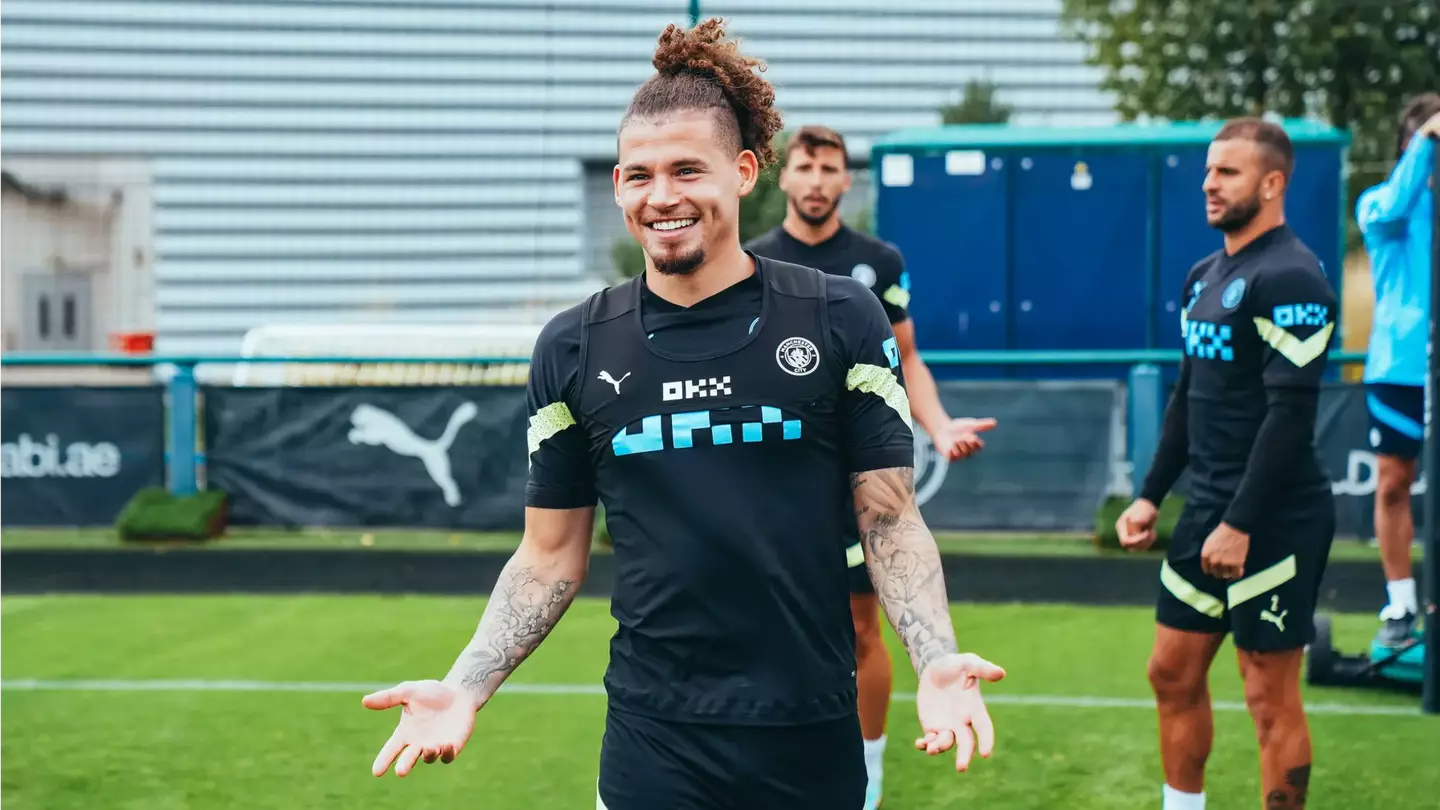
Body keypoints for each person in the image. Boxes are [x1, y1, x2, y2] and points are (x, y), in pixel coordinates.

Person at [362, 19, 1005, 810]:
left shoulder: (840, 317)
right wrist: (467, 684)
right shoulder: (571, 345)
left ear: (742, 172)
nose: (661, 197)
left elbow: (888, 519)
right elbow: (548, 555)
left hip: (808, 732)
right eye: (638, 176)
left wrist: (934, 655)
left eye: (685, 171)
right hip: (652, 740)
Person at [745, 124, 996, 810]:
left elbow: (906, 358)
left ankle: (869, 774)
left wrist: (938, 425)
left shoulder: (878, 262)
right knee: (766, 626)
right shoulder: (750, 258)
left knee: (861, 629)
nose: (818, 179)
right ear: (784, 177)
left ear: (844, 181)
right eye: (806, 166)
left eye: (830, 168)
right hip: (781, 478)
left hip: (854, 471)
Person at [1116, 118, 1338, 810]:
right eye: (1209, 170)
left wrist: (1240, 522)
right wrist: (1151, 494)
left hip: (1272, 520)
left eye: (1228, 173)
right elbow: (1190, 395)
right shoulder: (1202, 276)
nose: (1209, 184)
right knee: (1171, 674)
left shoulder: (1294, 277)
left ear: (1272, 184)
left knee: (1267, 697)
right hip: (1206, 512)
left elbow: (1290, 416)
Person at [1356, 94, 1440, 647]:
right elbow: (1391, 208)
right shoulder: (1380, 204)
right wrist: (1428, 143)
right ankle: (1400, 605)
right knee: (1393, 485)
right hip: (1400, 367)